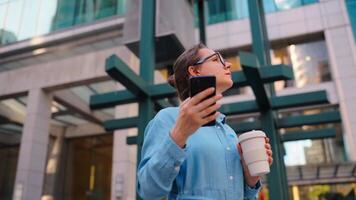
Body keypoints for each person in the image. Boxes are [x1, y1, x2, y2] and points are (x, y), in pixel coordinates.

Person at [137, 43, 273, 199]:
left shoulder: (229, 132)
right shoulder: (168, 118)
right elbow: (148, 191)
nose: (228, 64)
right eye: (216, 60)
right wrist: (180, 134)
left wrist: (250, 179)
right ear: (194, 71)